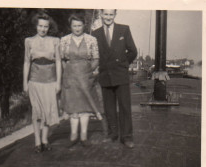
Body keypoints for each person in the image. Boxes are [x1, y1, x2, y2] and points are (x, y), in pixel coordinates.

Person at [92, 9, 137, 148]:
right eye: (105, 14)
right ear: (101, 15)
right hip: (105, 75)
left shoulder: (124, 29)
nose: (108, 17)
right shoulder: (95, 33)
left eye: (111, 14)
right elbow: (94, 55)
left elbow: (133, 51)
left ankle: (127, 137)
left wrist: (123, 65)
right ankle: (113, 134)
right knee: (109, 107)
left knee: (124, 107)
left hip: (120, 74)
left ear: (115, 15)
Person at [60, 13, 102, 148]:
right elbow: (61, 59)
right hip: (70, 78)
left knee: (85, 107)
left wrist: (88, 71)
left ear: (84, 25)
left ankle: (83, 136)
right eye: (74, 26)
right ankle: (73, 135)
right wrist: (68, 71)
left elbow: (96, 59)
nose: (77, 28)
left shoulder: (91, 40)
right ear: (70, 26)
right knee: (73, 108)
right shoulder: (64, 40)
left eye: (79, 25)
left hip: (86, 77)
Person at [23, 13, 61, 153]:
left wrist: (58, 82)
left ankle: (45, 140)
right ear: (36, 26)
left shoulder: (55, 41)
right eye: (40, 26)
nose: (43, 29)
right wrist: (24, 83)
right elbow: (27, 62)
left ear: (49, 27)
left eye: (46, 26)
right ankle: (37, 142)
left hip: (50, 81)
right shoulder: (29, 41)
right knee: (37, 112)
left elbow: (58, 62)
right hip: (34, 81)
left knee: (47, 112)